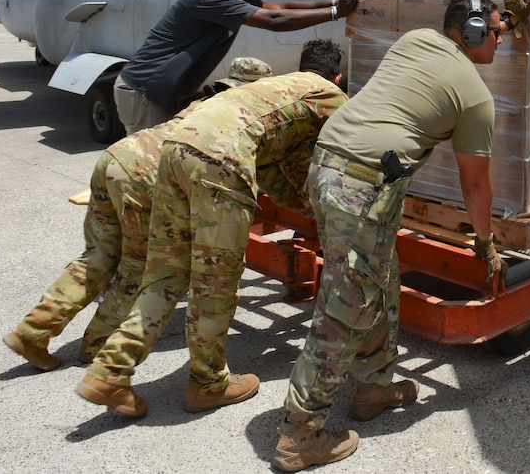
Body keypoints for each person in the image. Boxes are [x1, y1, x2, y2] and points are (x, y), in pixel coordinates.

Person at [271, 0, 530, 473]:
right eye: (497, 33)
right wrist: (485, 245)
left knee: (380, 276)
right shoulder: (475, 97)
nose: (502, 40)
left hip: (330, 163)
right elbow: (476, 184)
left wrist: (511, 17)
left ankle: (374, 388)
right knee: (343, 304)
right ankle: (300, 433)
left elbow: (468, 35)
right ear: (476, 32)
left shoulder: (415, 39)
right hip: (363, 184)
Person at [77, 40, 347, 418]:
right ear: (337, 76)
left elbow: (272, 167)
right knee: (215, 281)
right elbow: (345, 152)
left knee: (167, 272)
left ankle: (110, 370)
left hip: (174, 150)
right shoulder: (330, 95)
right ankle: (208, 383)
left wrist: (303, 206)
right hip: (218, 161)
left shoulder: (273, 90)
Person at [3, 57, 272, 372]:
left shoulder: (206, 99)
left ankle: (32, 331)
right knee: (137, 266)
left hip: (118, 157)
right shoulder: (243, 113)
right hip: (146, 176)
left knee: (98, 256)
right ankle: (98, 344)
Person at [113, 0, 366, 134]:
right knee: (149, 171)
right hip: (144, 91)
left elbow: (278, 8)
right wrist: (336, 13)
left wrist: (336, 2)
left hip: (159, 92)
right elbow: (274, 21)